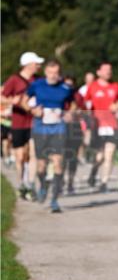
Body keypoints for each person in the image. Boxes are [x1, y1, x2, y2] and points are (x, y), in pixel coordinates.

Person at [27, 59, 76, 213]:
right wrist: (33, 110)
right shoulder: (37, 85)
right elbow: (24, 100)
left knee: (58, 162)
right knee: (41, 165)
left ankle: (54, 200)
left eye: (56, 73)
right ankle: (43, 184)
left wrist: (70, 113)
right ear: (46, 72)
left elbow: (73, 103)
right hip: (41, 128)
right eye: (51, 72)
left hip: (58, 128)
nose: (54, 76)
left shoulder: (65, 88)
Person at [1, 51, 43, 199]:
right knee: (20, 156)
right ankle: (21, 183)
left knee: (33, 153)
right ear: (28, 64)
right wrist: (12, 101)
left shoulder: (38, 80)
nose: (39, 66)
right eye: (36, 63)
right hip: (19, 122)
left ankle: (30, 184)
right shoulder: (14, 80)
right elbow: (2, 96)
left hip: (34, 122)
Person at [87, 62, 118, 192]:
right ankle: (94, 171)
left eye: (110, 69)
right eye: (105, 69)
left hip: (112, 125)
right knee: (100, 156)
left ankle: (104, 182)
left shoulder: (116, 86)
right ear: (98, 72)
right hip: (98, 125)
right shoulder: (92, 87)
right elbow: (85, 105)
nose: (108, 72)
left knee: (109, 154)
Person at [62, 74, 86, 193]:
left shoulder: (78, 96)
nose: (69, 87)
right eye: (66, 84)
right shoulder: (58, 93)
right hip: (61, 127)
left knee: (73, 157)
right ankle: (60, 181)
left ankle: (70, 182)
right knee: (61, 156)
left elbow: (85, 110)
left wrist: (78, 112)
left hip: (75, 128)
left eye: (71, 84)